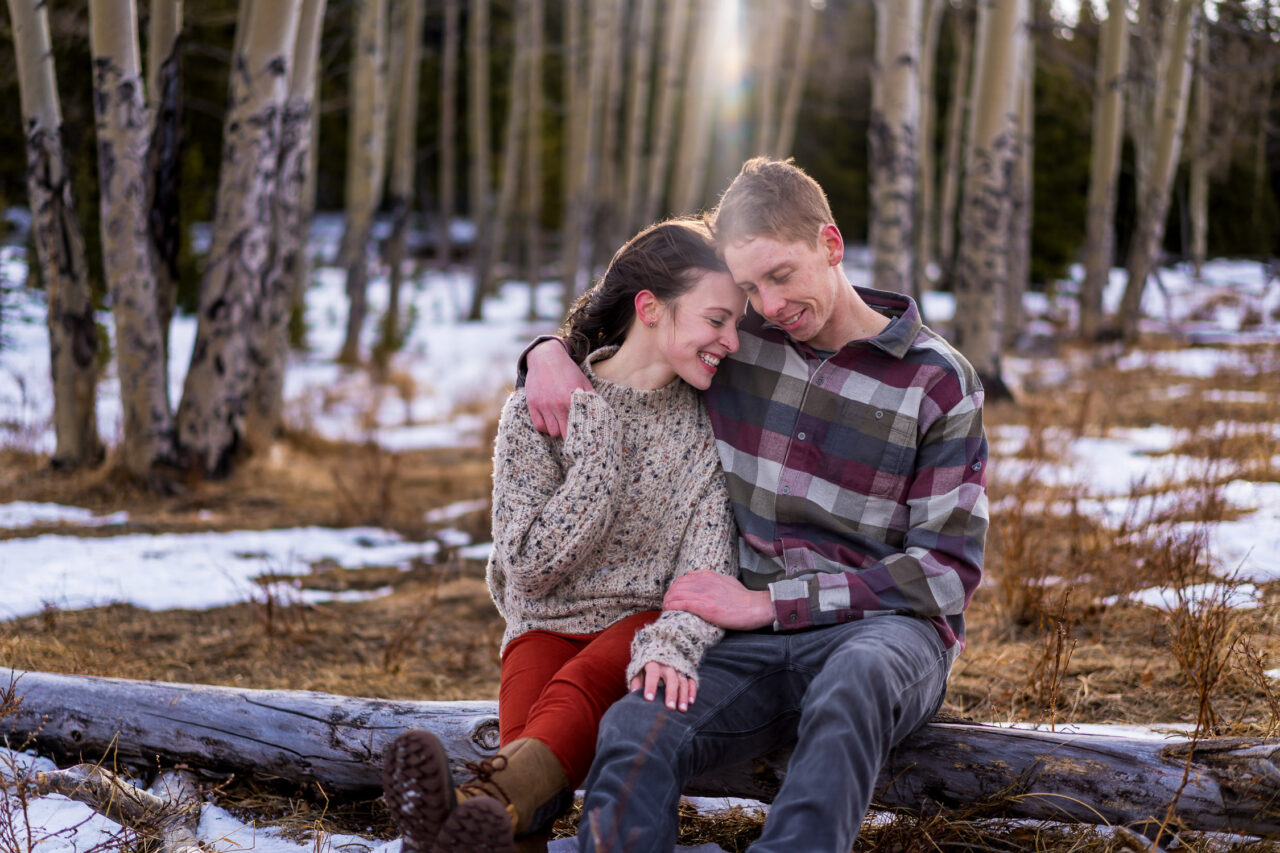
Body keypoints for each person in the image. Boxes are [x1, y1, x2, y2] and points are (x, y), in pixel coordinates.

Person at [522, 158, 989, 852]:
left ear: (830, 245)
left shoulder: (937, 380)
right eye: (748, 288)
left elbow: (947, 573)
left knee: (854, 680)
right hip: (746, 645)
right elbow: (641, 316)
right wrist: (548, 352)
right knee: (638, 718)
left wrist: (773, 604)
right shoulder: (737, 346)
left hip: (884, 634)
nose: (768, 306)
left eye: (781, 275)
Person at [381, 218, 744, 853]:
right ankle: (471, 827)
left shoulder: (708, 433)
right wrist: (598, 449)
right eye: (717, 320)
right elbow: (528, 567)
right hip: (542, 621)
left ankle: (467, 806)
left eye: (736, 324)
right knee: (527, 747)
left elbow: (704, 573)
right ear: (650, 309)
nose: (732, 341)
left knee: (571, 699)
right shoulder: (536, 408)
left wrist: (674, 644)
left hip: (641, 623)